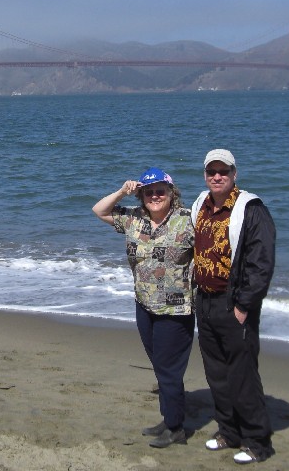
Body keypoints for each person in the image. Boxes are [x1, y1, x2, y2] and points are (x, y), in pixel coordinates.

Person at [92, 167, 194, 449]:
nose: (155, 196)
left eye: (161, 191)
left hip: (175, 310)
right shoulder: (133, 219)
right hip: (144, 304)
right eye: (149, 192)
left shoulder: (188, 220)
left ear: (172, 193)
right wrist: (122, 191)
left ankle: (176, 428)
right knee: (160, 366)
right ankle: (169, 418)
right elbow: (99, 210)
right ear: (142, 196)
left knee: (169, 369)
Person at [190, 149, 276, 464]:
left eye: (223, 171)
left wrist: (244, 305)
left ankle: (257, 442)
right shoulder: (201, 204)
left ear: (234, 174)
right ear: (205, 175)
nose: (217, 176)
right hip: (205, 301)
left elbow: (261, 262)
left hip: (233, 304)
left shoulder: (251, 209)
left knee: (242, 374)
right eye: (211, 171)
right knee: (216, 373)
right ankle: (229, 432)